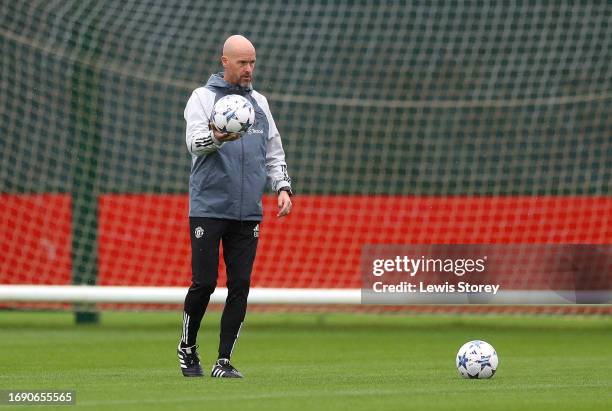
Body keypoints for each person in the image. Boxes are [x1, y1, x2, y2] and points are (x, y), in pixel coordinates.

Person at [177, 35, 293, 378]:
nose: (249, 69)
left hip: (247, 211)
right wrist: (217, 137)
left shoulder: (259, 102)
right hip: (209, 207)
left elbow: (274, 151)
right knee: (204, 282)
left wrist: (282, 187)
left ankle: (223, 361)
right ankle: (187, 348)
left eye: (252, 62)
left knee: (240, 284)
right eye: (242, 63)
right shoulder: (203, 98)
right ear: (224, 61)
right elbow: (194, 144)